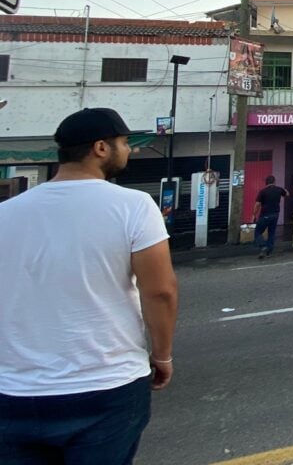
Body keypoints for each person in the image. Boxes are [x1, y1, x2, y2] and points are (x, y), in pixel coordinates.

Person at [0, 108, 178, 463]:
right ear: (100, 147)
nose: (130, 150)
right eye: (125, 143)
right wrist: (161, 355)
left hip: (14, 391)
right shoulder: (134, 206)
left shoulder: (7, 213)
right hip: (106, 387)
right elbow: (160, 291)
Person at [253, 174, 288, 259]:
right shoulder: (279, 190)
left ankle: (263, 246)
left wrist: (254, 215)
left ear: (266, 182)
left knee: (258, 232)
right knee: (271, 233)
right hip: (275, 214)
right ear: (274, 181)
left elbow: (257, 204)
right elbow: (287, 194)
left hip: (265, 215)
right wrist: (285, 190)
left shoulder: (263, 192)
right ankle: (269, 251)